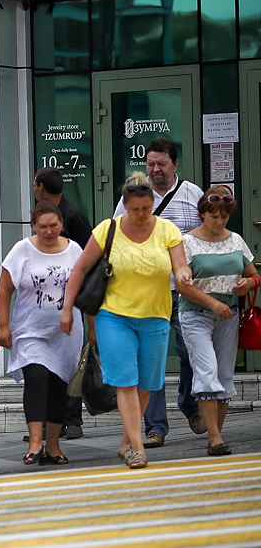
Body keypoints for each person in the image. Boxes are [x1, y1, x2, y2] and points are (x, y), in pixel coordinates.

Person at [63, 172, 192, 469]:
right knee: (126, 382)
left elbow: (180, 264)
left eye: (146, 209)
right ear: (125, 205)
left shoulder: (167, 230)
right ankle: (137, 447)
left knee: (147, 384)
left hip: (156, 317)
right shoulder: (107, 230)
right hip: (114, 317)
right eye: (135, 210)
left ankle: (125, 441)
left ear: (152, 204)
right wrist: (68, 309)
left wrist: (184, 274)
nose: (141, 215)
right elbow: (81, 269)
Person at [114, 138, 205, 447]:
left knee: (190, 351)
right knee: (150, 361)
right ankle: (155, 428)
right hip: (147, 294)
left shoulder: (193, 195)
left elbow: (207, 238)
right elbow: (116, 236)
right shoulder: (134, 196)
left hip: (185, 291)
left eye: (161, 164)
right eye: (150, 164)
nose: (155, 169)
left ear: (175, 164)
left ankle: (189, 403)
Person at [0, 200, 84, 465]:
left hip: (65, 332)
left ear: (61, 224)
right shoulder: (21, 250)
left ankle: (54, 445)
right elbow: (4, 290)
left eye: (54, 226)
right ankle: (35, 443)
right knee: (36, 378)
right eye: (43, 227)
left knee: (59, 385)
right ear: (33, 226)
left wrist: (94, 326)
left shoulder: (74, 250)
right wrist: (2, 326)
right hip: (30, 330)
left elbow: (87, 287)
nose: (49, 231)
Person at [174, 186, 258, 456]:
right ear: (202, 214)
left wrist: (248, 283)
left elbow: (254, 273)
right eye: (214, 217)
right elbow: (182, 286)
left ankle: (216, 434)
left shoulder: (235, 240)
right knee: (207, 371)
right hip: (196, 313)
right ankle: (214, 437)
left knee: (224, 375)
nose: (219, 222)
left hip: (229, 315)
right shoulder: (187, 243)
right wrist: (212, 303)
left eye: (224, 217)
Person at [34, 167, 92, 440]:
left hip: (72, 302)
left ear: (40, 187)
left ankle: (72, 419)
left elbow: (90, 261)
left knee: (71, 361)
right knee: (44, 363)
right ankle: (45, 421)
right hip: (43, 305)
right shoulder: (40, 219)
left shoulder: (73, 217)